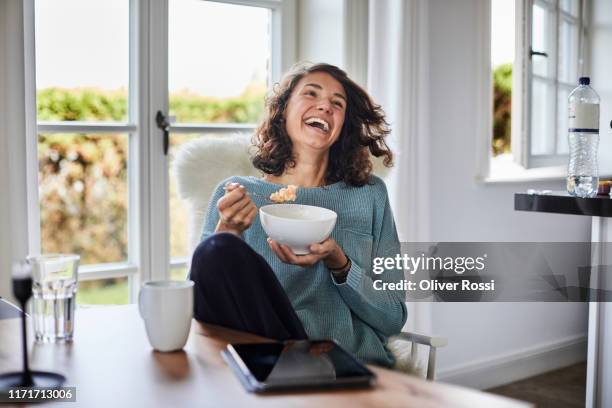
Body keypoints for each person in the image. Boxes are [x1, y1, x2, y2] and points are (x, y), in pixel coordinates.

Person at [189, 62, 407, 367]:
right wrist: (229, 231)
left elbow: (393, 317)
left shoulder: (369, 194)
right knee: (218, 248)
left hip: (345, 361)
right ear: (284, 112)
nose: (324, 106)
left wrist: (340, 263)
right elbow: (203, 302)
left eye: (337, 103)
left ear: (344, 124)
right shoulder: (235, 195)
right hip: (271, 355)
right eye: (311, 93)